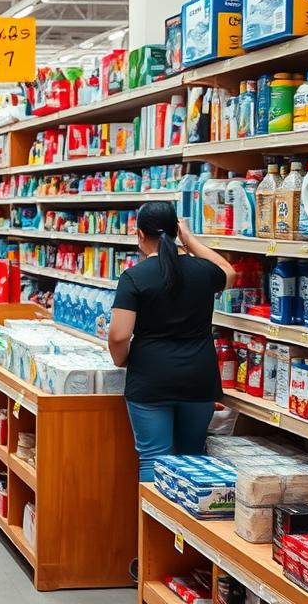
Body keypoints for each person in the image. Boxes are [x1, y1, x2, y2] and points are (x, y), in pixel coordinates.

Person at [106, 201, 236, 482]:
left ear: (140, 234)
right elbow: (228, 271)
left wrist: (123, 359)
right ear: (177, 231)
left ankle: (155, 526)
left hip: (151, 379)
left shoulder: (134, 277)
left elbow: (118, 335)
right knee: (193, 461)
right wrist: (189, 240)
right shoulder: (202, 271)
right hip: (198, 380)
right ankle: (185, 524)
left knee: (154, 459)